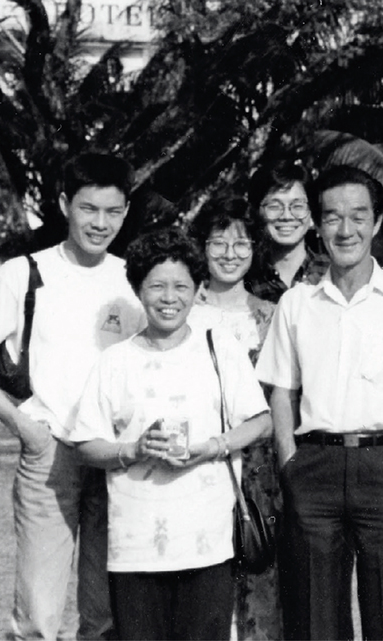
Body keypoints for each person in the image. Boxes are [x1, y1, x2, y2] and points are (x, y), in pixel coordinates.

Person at [258, 165, 383, 641]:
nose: (345, 230)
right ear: (317, 224)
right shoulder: (297, 304)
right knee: (313, 618)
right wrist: (290, 463)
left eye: (357, 216)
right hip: (314, 469)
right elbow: (281, 390)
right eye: (332, 217)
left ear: (377, 221)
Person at [0, 152, 146, 640]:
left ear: (125, 212)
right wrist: (23, 426)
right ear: (64, 204)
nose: (99, 223)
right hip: (49, 454)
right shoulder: (25, 274)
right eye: (88, 209)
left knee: (105, 616)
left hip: (115, 458)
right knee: (39, 617)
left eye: (112, 211)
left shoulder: (135, 279)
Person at [72, 229, 271, 640]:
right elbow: (85, 445)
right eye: (157, 286)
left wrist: (212, 447)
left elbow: (260, 421)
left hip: (208, 542)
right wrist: (134, 449)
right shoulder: (115, 362)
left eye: (181, 286)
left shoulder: (220, 349)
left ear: (197, 290)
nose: (169, 298)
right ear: (138, 290)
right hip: (135, 546)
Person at [187, 192, 281, 640]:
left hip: (263, 475)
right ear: (201, 246)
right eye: (218, 242)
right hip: (199, 468)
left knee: (263, 591)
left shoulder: (273, 316)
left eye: (241, 243)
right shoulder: (181, 312)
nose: (230, 253)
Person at [247, 161, 327, 304]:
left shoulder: (332, 273)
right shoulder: (244, 280)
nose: (286, 216)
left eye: (297, 206)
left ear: (312, 215)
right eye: (274, 206)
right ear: (256, 213)